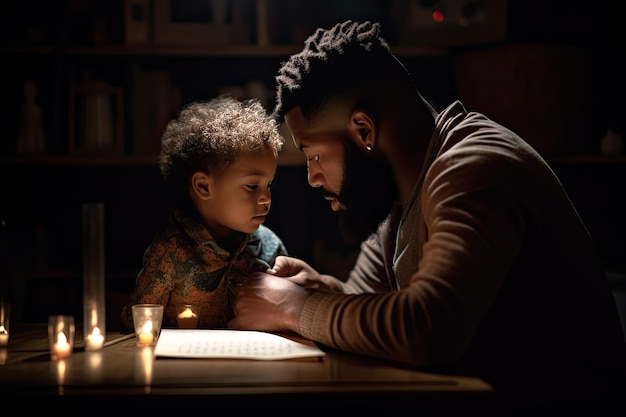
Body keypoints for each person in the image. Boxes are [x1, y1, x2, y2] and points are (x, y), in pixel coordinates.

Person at [227, 20, 626, 413]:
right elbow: (365, 306)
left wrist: (294, 307)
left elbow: (429, 327)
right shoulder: (395, 194)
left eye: (314, 155)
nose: (313, 177)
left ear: (363, 131)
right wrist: (317, 289)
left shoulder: (473, 167)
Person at [120, 95, 287, 331]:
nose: (266, 198)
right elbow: (137, 325)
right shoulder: (170, 254)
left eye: (268, 184)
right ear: (204, 186)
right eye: (252, 186)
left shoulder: (271, 248)